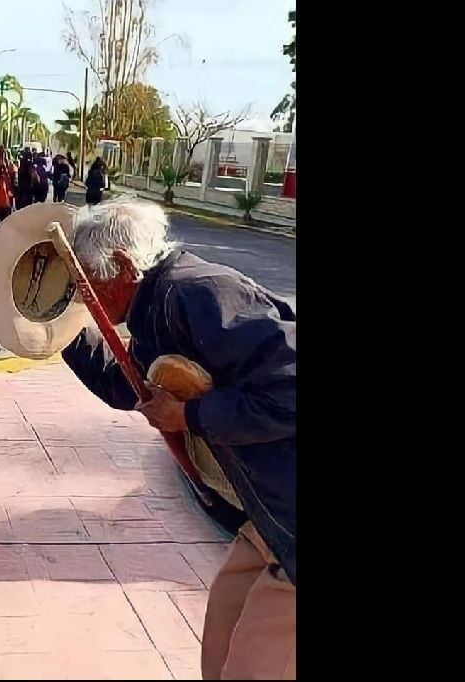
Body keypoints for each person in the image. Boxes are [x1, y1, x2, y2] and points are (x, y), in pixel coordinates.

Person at [60, 200, 295, 680]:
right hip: (271, 514)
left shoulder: (198, 293)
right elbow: (130, 385)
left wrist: (189, 415)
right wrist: (54, 332)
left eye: (87, 280)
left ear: (122, 266)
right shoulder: (157, 308)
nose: (84, 296)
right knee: (223, 633)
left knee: (252, 666)